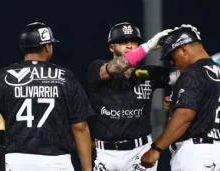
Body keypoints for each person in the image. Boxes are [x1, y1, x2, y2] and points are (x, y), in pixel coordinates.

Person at [0, 22, 93, 171]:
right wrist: (87, 168)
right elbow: (80, 127)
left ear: (23, 47)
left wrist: (7, 118)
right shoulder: (66, 77)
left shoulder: (4, 76)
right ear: (46, 47)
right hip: (56, 161)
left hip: (17, 160)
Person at [88, 22, 173, 171]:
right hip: (105, 155)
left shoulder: (149, 73)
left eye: (134, 41)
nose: (129, 45)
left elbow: (188, 77)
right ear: (111, 47)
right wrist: (146, 47)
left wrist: (176, 97)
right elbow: (116, 68)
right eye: (122, 42)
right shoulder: (97, 68)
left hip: (140, 153)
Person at [141, 25, 220, 170]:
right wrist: (177, 102)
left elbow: (185, 116)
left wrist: (156, 148)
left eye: (172, 55)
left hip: (196, 154)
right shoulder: (215, 71)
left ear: (183, 49)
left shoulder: (193, 73)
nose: (172, 62)